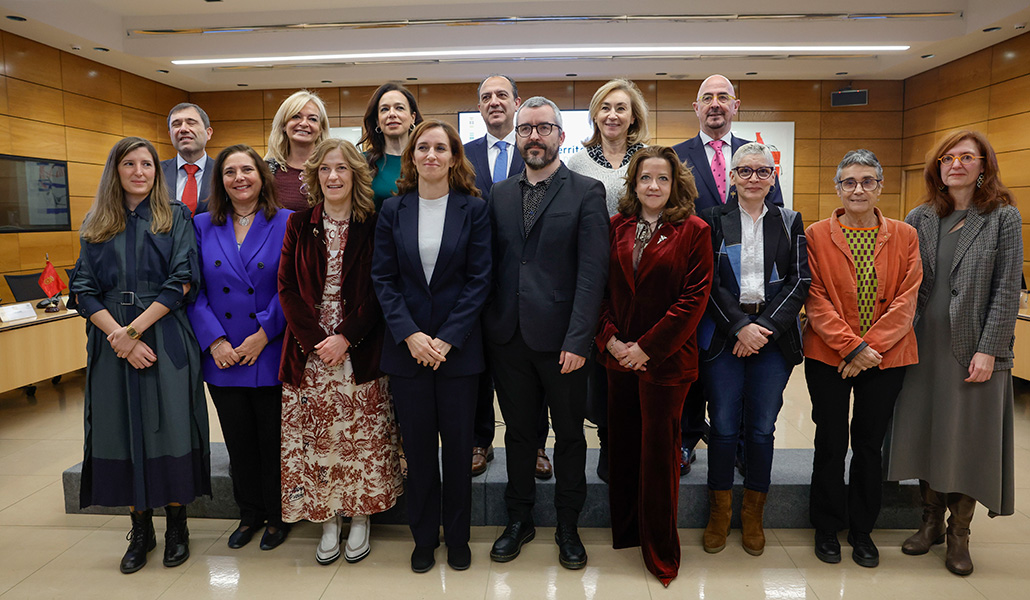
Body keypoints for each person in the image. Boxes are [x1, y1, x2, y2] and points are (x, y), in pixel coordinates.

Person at [69, 136, 209, 574]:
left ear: (156, 170)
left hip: (163, 334)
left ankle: (178, 528)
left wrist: (134, 331)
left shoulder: (176, 217)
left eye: (147, 163)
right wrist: (120, 337)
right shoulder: (96, 223)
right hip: (112, 343)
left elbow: (182, 280)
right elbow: (82, 290)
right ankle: (141, 529)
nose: (139, 172)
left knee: (169, 428)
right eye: (129, 164)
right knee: (120, 430)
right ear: (116, 170)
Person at [885, 130, 1022, 576]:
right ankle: (930, 522)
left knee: (965, 439)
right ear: (938, 168)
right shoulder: (920, 216)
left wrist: (990, 349)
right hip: (922, 346)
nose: (956, 164)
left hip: (971, 352)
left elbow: (1006, 290)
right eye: (948, 158)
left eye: (967, 157)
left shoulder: (1002, 217)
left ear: (984, 165)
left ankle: (960, 533)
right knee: (928, 432)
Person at [484, 96, 609, 570]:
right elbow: (492, 267)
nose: (534, 136)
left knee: (571, 436)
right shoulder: (497, 194)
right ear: (517, 137)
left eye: (544, 128)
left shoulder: (586, 191)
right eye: (526, 129)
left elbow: (593, 274)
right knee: (517, 435)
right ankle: (518, 520)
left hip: (564, 344)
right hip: (509, 339)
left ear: (561, 135)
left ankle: (568, 525)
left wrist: (579, 340)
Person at [372, 120, 491, 573]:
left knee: (459, 452)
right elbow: (383, 280)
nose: (431, 155)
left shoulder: (473, 210)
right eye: (423, 147)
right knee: (418, 453)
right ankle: (424, 538)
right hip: (408, 352)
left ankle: (457, 537)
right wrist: (411, 335)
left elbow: (480, 281)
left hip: (458, 353)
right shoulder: (393, 210)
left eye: (441, 147)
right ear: (412, 156)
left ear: (454, 157)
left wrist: (444, 339)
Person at [278, 138, 402, 565]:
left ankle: (361, 518)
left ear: (356, 175)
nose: (333, 176)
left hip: (360, 349)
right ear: (315, 175)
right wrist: (317, 340)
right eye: (326, 169)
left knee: (361, 439)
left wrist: (346, 337)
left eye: (342, 169)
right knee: (318, 441)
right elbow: (287, 287)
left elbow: (380, 288)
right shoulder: (298, 223)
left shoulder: (375, 222)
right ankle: (328, 519)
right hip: (308, 351)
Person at [597, 146, 712, 586]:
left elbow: (693, 300)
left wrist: (646, 348)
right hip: (618, 359)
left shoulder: (694, 230)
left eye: (662, 179)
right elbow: (601, 291)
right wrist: (612, 340)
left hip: (664, 364)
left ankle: (661, 551)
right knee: (623, 448)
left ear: (675, 184)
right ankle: (627, 533)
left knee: (659, 457)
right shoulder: (616, 227)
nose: (653, 186)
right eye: (646, 178)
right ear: (634, 183)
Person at [804, 150, 922, 568]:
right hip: (828, 356)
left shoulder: (906, 236)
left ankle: (862, 530)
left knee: (869, 446)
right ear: (837, 187)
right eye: (849, 181)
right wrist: (852, 348)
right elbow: (814, 299)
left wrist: (867, 350)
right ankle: (826, 527)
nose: (858, 189)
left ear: (880, 187)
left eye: (867, 181)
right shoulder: (816, 235)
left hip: (886, 359)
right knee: (831, 443)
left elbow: (908, 301)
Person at [697, 142, 809, 557]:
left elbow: (800, 281)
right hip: (726, 337)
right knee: (724, 426)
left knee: (761, 429)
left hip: (773, 339)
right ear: (732, 178)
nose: (754, 179)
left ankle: (753, 515)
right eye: (745, 171)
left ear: (773, 178)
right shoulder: (711, 220)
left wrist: (762, 327)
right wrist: (740, 327)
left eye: (763, 172)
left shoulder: (789, 220)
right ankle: (719, 513)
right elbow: (707, 282)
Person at [673, 74, 785, 475]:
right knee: (692, 374)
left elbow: (777, 225)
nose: (715, 104)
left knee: (739, 385)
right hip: (694, 285)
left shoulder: (756, 156)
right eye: (707, 98)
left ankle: (739, 446)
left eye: (723, 97)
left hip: (746, 297)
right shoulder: (676, 156)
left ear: (736, 105)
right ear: (696, 107)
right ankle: (686, 441)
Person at [186, 144, 292, 551]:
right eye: (230, 172)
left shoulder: (286, 221)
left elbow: (292, 285)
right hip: (224, 355)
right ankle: (249, 514)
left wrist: (263, 333)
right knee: (238, 442)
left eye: (247, 169)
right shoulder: (201, 225)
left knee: (272, 441)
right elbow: (193, 290)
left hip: (269, 349)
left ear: (262, 176)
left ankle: (278, 516)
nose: (239, 178)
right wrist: (214, 340)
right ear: (221, 180)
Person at [462, 74, 549, 480]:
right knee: (477, 368)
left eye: (501, 95)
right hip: (475, 282)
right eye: (485, 97)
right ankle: (480, 441)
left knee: (533, 371)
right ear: (479, 107)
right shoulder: (461, 155)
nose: (493, 102)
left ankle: (535, 445)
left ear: (516, 103)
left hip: (529, 283)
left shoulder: (536, 151)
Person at [566, 77, 650, 482]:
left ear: (634, 116)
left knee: (637, 359)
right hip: (593, 279)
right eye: (606, 107)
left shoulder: (648, 159)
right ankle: (606, 439)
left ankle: (636, 442)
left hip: (640, 279)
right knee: (600, 365)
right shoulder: (576, 163)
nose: (613, 115)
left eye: (621, 108)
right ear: (595, 115)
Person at [359, 83, 424, 209]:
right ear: (378, 121)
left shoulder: (427, 159)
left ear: (412, 117)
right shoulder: (361, 162)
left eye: (399, 108)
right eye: (384, 109)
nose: (392, 114)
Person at [265, 90, 331, 211]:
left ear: (321, 129)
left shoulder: (333, 170)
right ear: (283, 125)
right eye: (296, 116)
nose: (304, 123)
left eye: (312, 119)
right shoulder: (267, 171)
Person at [161, 102, 214, 215]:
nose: (183, 129)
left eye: (191, 123)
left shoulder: (223, 172)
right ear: (170, 135)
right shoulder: (156, 172)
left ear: (208, 133)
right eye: (176, 124)